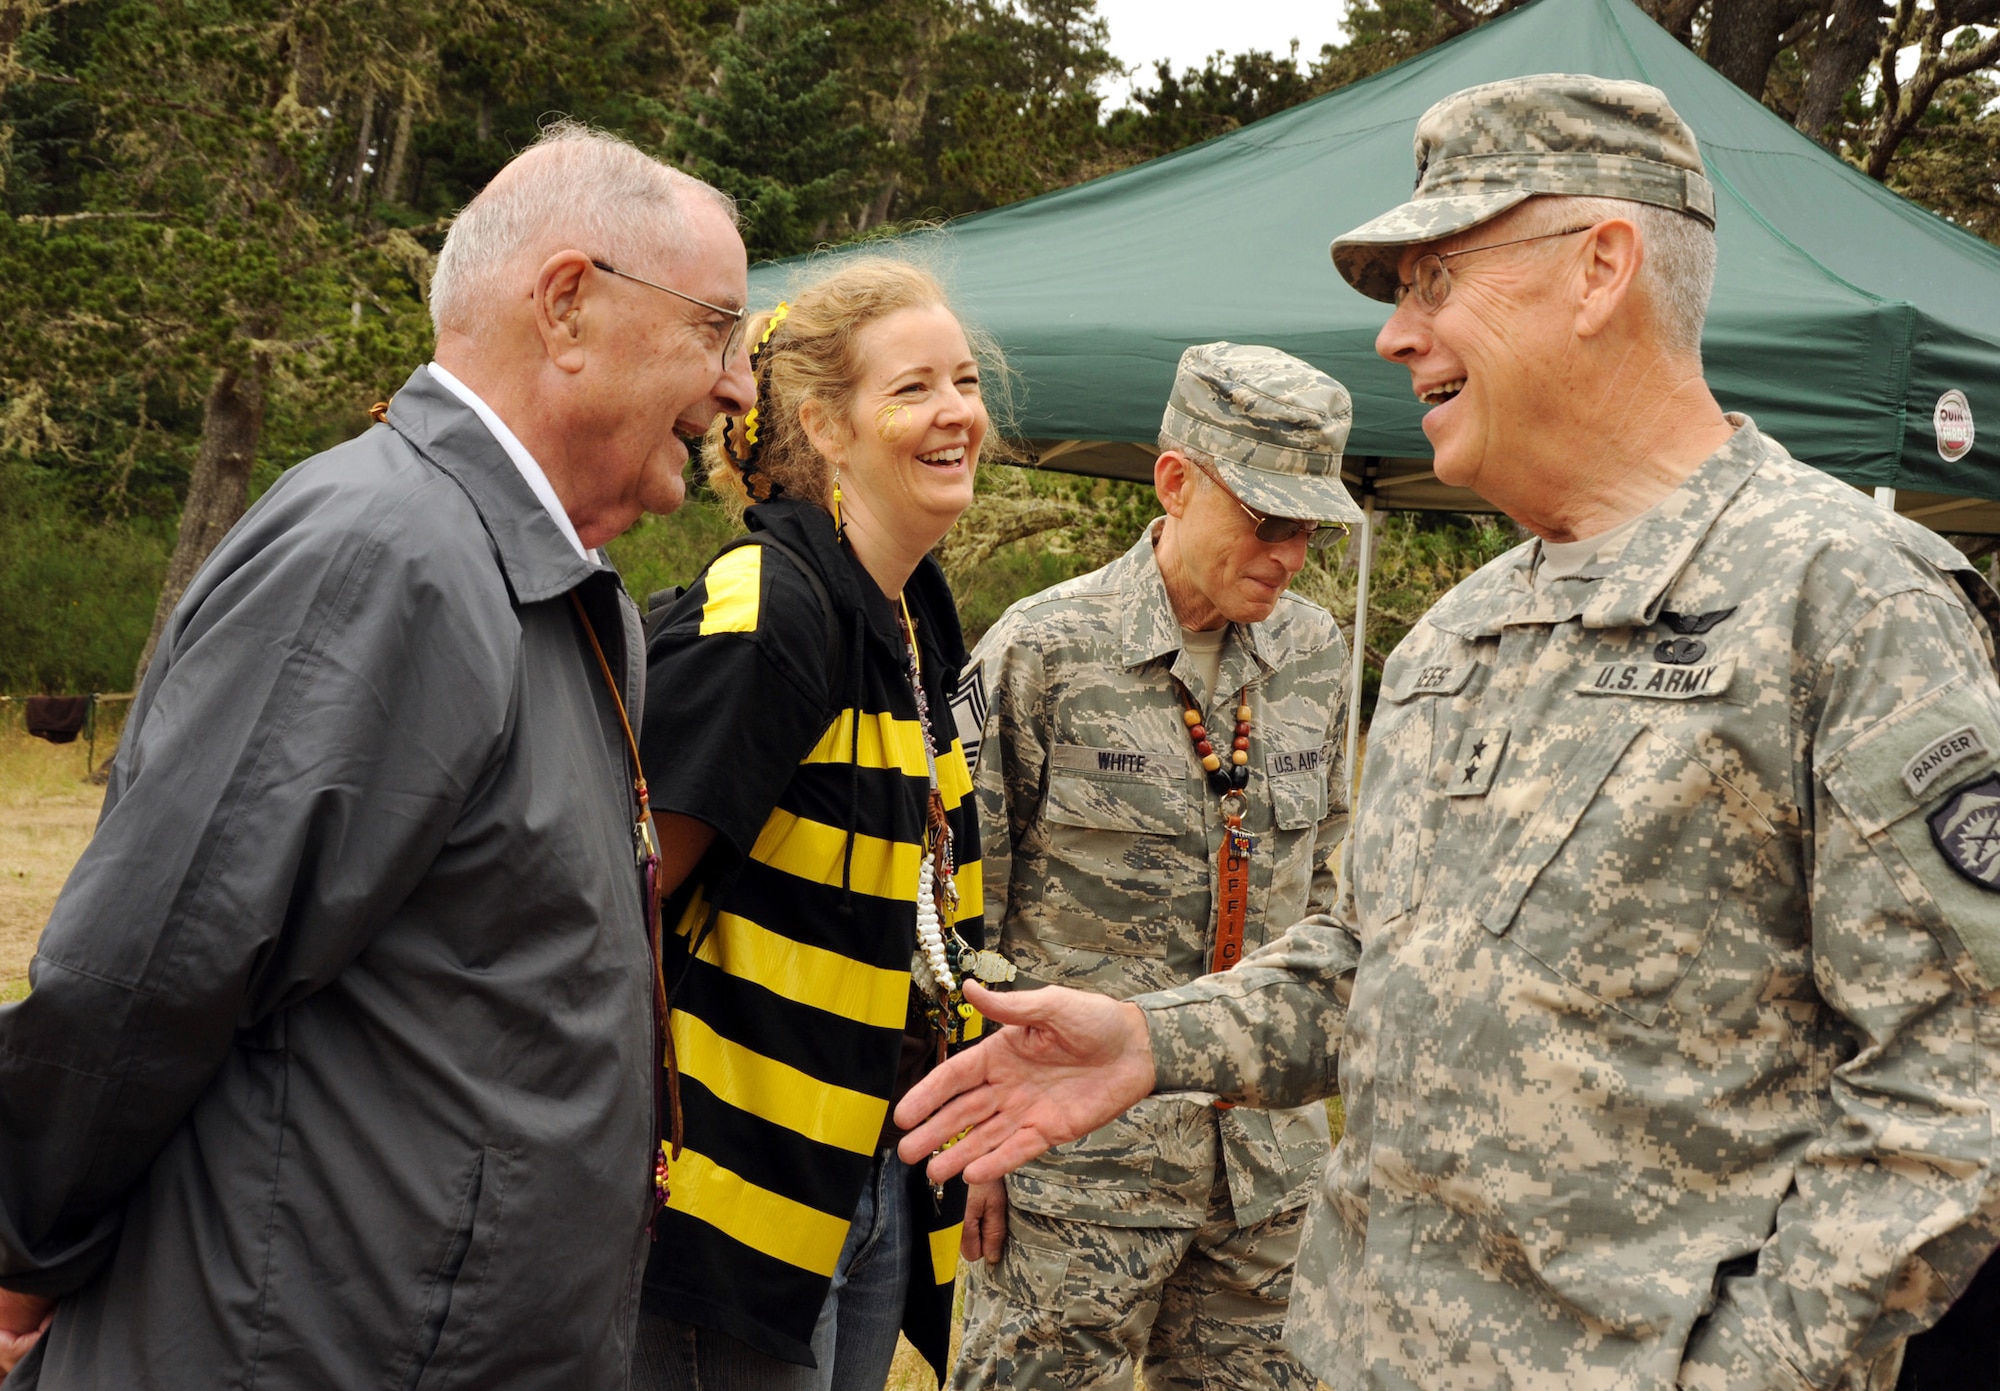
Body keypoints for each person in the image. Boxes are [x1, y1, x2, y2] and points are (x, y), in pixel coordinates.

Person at [896, 74, 2000, 1391]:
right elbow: (1377, 968)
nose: (1393, 337)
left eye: (1435, 279)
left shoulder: (1845, 599)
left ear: (1600, 269)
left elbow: (1954, 1088)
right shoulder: (1455, 639)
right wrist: (1155, 1039)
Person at [0, 122, 754, 1387]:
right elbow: (151, 965)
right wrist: (24, 1241)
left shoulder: (562, 598)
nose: (740, 383)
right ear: (567, 305)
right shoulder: (383, 553)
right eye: (716, 326)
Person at [950, 341, 1361, 1391]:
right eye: (1265, 519)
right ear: (1173, 481)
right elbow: (957, 912)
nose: (1289, 553)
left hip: (1264, 1179)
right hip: (1077, 1168)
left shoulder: (1316, 655)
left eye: (1308, 527)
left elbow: (1329, 896)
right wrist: (982, 1137)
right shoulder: (1040, 651)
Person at [631, 257, 1004, 1391]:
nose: (957, 414)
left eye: (966, 380)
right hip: (732, 1191)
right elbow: (610, 901)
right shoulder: (769, 607)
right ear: (822, 427)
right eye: (912, 389)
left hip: (873, 1171)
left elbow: (919, 915)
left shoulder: (913, 617)